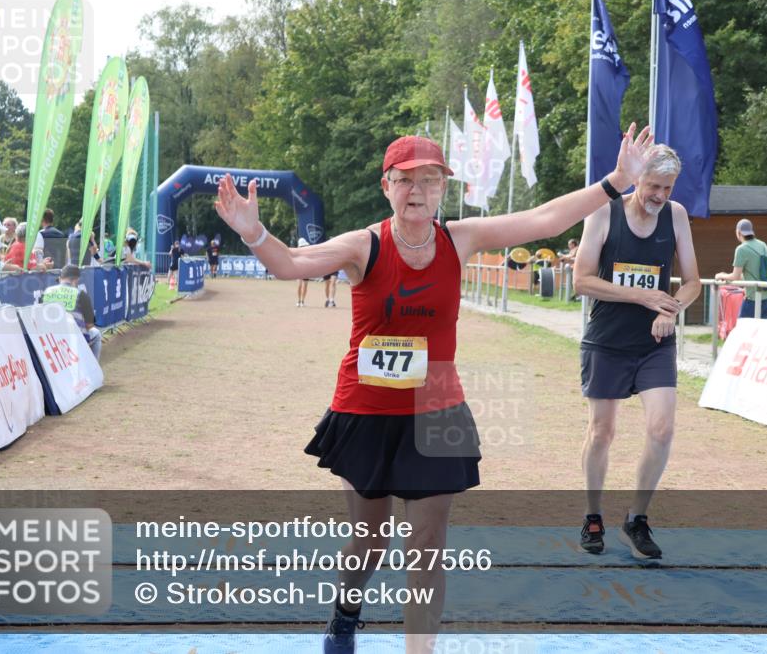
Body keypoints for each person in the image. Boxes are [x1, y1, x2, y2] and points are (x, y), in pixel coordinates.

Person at [214, 126, 653, 654]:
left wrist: (616, 181)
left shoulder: (459, 239)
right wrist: (254, 232)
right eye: (405, 180)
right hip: (366, 409)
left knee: (426, 547)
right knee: (370, 540)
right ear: (386, 187)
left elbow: (543, 219)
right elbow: (290, 264)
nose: (417, 190)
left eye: (429, 179)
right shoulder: (364, 245)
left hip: (438, 406)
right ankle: (345, 615)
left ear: (444, 187)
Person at [573, 143, 701, 561]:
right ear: (636, 179)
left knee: (662, 429)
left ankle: (636, 519)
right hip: (607, 340)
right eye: (653, 186)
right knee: (602, 431)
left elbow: (692, 282)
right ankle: (593, 516)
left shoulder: (676, 215)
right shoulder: (603, 212)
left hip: (654, 344)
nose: (659, 195)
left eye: (667, 187)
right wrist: (642, 296)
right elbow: (582, 280)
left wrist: (670, 308)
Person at [714, 218, 767, 319]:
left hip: (755, 297)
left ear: (738, 232)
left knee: (743, 325)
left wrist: (721, 275)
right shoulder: (762, 244)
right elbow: (760, 272)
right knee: (760, 326)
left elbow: (735, 276)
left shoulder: (741, 249)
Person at [42, 264, 101, 361]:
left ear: (60, 278)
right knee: (96, 333)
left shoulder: (46, 292)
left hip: (49, 337)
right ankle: (93, 366)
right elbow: (89, 325)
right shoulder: (80, 294)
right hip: (74, 339)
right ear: (76, 280)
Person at [296, 236, 310, 306]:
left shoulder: (307, 252)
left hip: (304, 269)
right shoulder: (297, 253)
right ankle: (300, 301)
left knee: (303, 285)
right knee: (301, 285)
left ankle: (301, 301)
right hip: (301, 269)